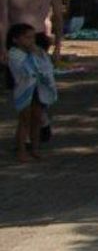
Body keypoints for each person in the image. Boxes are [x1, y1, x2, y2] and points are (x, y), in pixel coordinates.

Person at [8, 21, 56, 161]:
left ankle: (35, 148)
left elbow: (45, 66)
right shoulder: (14, 54)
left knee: (37, 119)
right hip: (25, 89)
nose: (31, 41)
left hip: (38, 88)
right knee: (25, 120)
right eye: (27, 37)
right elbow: (25, 70)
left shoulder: (37, 51)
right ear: (16, 39)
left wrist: (37, 53)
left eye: (32, 37)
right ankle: (21, 150)